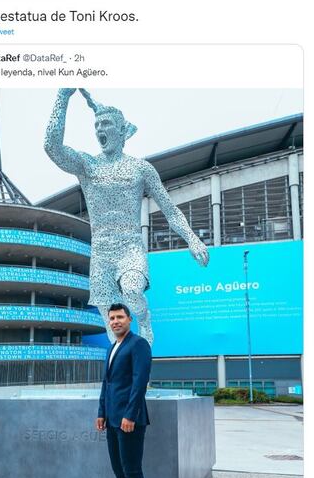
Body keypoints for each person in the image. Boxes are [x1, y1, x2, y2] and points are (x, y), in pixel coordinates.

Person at [44, 88, 209, 345]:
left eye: (106, 123)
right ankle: (122, 366)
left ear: (122, 132)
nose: (100, 128)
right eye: (97, 124)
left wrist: (192, 238)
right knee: (113, 325)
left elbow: (169, 208)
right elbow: (51, 147)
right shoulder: (87, 166)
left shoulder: (140, 168)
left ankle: (144, 320)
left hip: (130, 246)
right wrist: (62, 98)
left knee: (132, 291)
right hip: (101, 252)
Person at [95, 303, 151, 478]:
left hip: (130, 420)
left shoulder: (138, 344)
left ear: (129, 319)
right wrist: (101, 411)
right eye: (112, 318)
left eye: (120, 317)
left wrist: (129, 415)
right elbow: (107, 384)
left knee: (132, 474)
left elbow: (139, 383)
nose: (115, 321)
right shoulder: (113, 347)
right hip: (112, 419)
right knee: (119, 472)